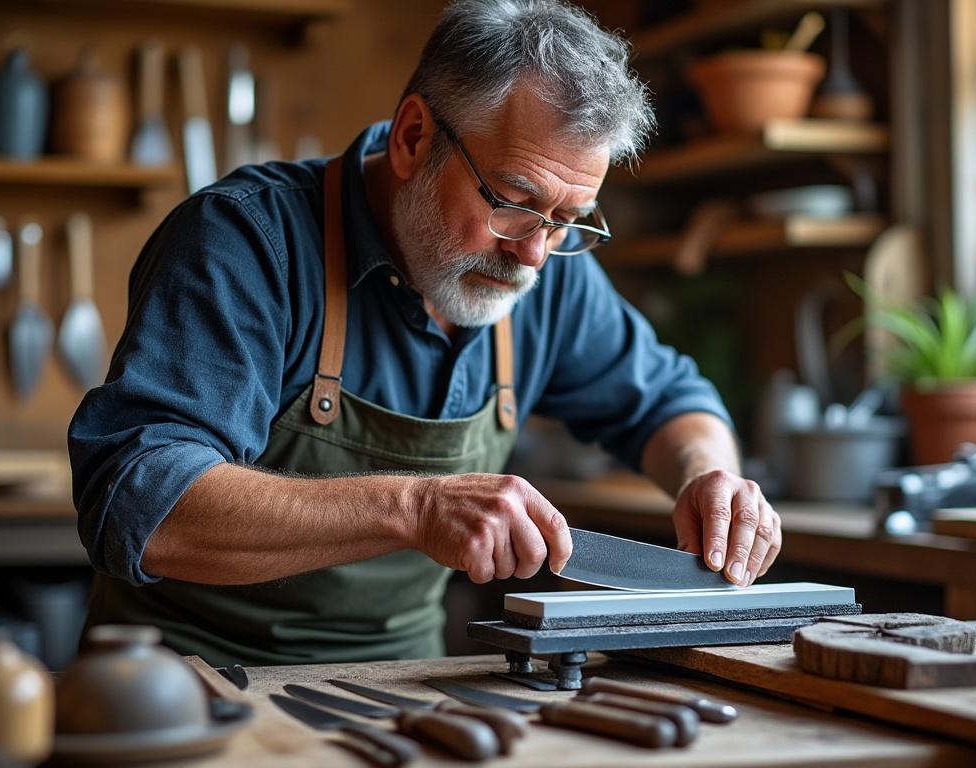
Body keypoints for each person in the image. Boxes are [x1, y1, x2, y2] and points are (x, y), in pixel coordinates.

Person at [68, 0, 782, 666]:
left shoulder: (547, 271)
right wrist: (414, 506)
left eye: (568, 219)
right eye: (513, 200)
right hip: (179, 689)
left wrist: (710, 476)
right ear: (414, 138)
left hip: (390, 688)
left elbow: (667, 400)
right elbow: (144, 501)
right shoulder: (248, 242)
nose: (534, 251)